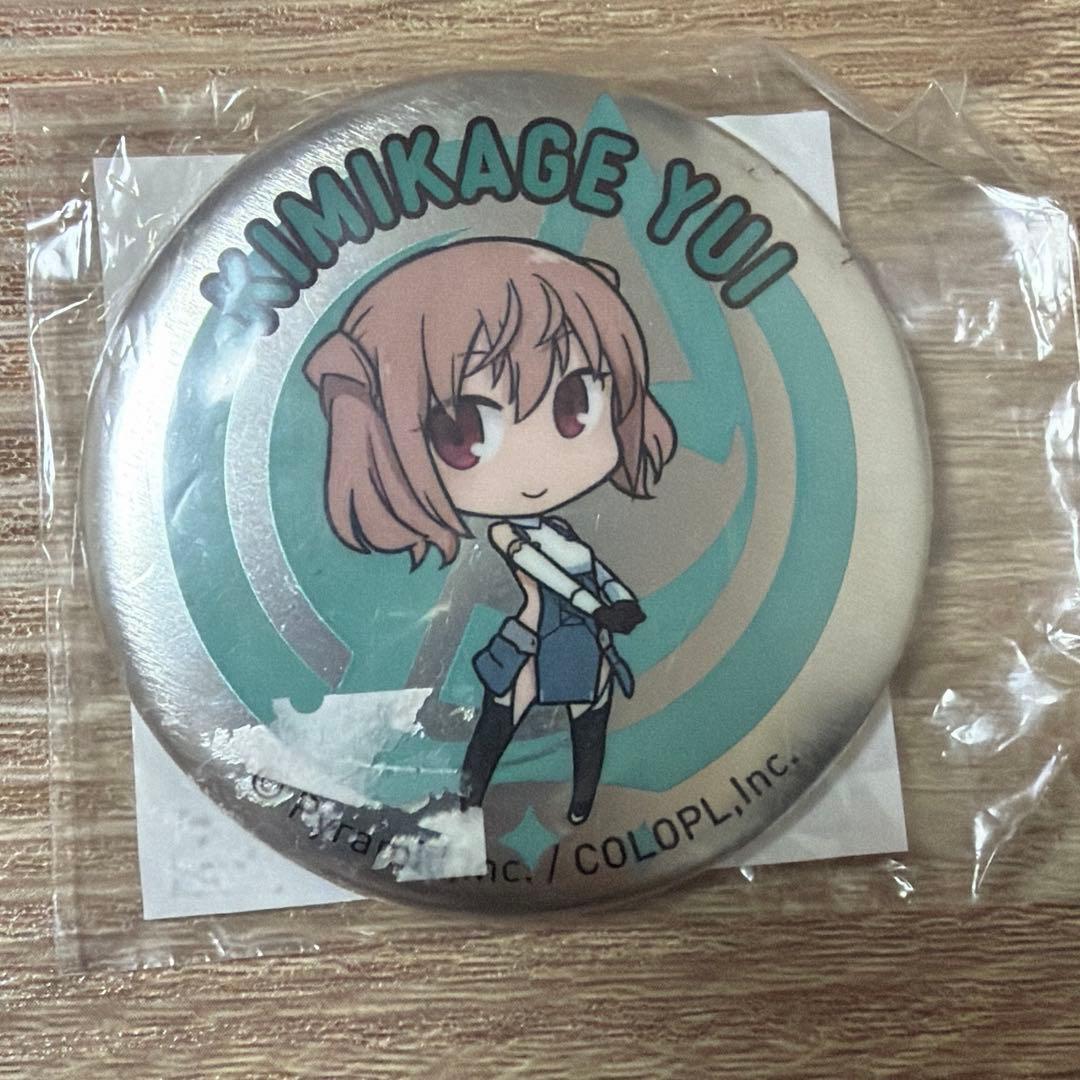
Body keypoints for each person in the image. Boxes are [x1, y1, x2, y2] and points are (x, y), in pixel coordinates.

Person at [304, 237, 676, 824]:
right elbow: (550, 576)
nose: (536, 463)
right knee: (498, 721)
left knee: (593, 717)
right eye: (464, 433)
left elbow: (594, 572)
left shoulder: (562, 527)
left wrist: (618, 599)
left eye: (574, 404)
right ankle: (468, 799)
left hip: (584, 639)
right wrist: (599, 608)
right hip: (535, 641)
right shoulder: (506, 536)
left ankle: (583, 804)